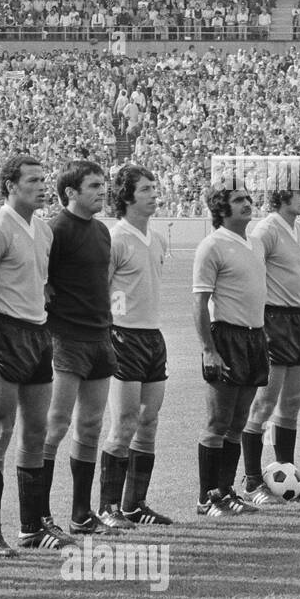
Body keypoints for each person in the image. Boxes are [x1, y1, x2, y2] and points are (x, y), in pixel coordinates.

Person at [0, 155, 73, 555]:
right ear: (11, 185)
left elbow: (41, 286)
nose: (43, 185)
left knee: (35, 432)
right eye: (33, 179)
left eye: (44, 178)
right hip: (6, 333)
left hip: (38, 335)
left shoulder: (43, 230)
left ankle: (32, 528)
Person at [41, 159, 129, 535]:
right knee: (55, 425)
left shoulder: (102, 232)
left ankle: (81, 514)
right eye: (93, 186)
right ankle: (39, 515)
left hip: (99, 337)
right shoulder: (55, 230)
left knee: (90, 426)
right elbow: (40, 283)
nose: (101, 191)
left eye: (101, 185)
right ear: (70, 193)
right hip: (65, 340)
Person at [99, 165, 173, 526]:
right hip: (123, 336)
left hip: (153, 336)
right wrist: (111, 329)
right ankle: (108, 507)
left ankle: (135, 505)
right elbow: (102, 291)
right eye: (145, 188)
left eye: (153, 186)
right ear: (127, 197)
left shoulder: (157, 239)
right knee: (124, 421)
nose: (153, 193)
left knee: (149, 421)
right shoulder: (116, 239)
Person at [241, 185, 300, 505]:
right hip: (273, 321)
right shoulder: (266, 230)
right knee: (263, 404)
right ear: (282, 195)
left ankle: (288, 475)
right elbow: (252, 274)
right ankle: (252, 481)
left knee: (292, 405)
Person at [193, 185, 267, 516]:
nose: (247, 204)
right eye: (239, 200)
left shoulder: (254, 243)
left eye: (249, 199)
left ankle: (225, 491)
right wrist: (209, 349)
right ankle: (205, 497)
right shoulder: (212, 246)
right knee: (218, 420)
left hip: (255, 338)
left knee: (238, 421)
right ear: (222, 209)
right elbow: (200, 303)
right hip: (226, 337)